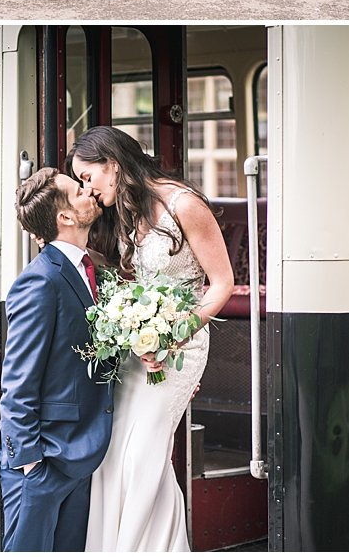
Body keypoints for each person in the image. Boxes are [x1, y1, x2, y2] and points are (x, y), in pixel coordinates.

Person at [67, 126, 235, 552]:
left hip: (180, 349)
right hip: (140, 352)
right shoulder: (127, 211)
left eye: (88, 177)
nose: (87, 189)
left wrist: (175, 334)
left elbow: (222, 284)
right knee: (113, 454)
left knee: (143, 454)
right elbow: (134, 280)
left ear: (113, 164)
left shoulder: (184, 204)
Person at [0, 167, 114, 551]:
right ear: (65, 217)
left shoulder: (91, 270)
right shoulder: (40, 281)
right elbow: (17, 382)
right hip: (43, 463)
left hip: (78, 457)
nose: (89, 191)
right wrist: (30, 464)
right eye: (79, 190)